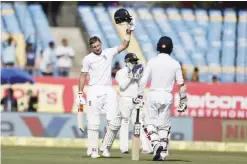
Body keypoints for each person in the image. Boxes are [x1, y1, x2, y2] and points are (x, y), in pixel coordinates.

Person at [75, 19, 135, 158]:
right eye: (94, 47)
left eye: (98, 45)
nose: (97, 48)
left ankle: (106, 147)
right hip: (94, 90)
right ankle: (93, 150)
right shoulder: (88, 59)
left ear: (101, 43)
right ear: (91, 48)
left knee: (115, 121)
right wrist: (79, 93)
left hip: (108, 89)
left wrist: (129, 32)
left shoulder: (108, 52)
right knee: (94, 122)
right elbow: (83, 76)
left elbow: (125, 45)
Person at [135, 36, 188, 161]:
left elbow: (143, 80)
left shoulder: (152, 61)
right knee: (164, 126)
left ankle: (155, 144)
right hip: (167, 96)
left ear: (158, 47)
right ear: (171, 48)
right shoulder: (175, 64)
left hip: (153, 94)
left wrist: (139, 95)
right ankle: (162, 154)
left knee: (149, 123)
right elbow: (181, 85)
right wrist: (183, 101)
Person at [115, 53, 152, 154]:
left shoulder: (138, 72)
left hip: (135, 100)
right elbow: (122, 86)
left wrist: (141, 97)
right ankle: (124, 148)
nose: (135, 63)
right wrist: (131, 76)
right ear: (127, 62)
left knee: (138, 123)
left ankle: (146, 147)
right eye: (133, 61)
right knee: (124, 122)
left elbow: (140, 86)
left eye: (136, 61)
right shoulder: (121, 72)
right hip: (125, 99)